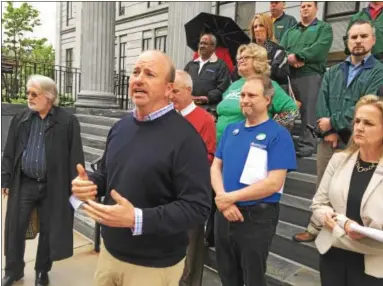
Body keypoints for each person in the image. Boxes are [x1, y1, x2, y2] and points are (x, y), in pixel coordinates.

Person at [71, 50, 212, 286]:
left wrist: (138, 218)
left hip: (153, 267)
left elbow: (197, 207)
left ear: (169, 89)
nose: (138, 79)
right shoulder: (120, 127)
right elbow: (107, 173)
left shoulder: (187, 139)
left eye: (149, 74)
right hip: (110, 253)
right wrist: (88, 184)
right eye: (135, 72)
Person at [293, 19, 383, 243]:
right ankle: (315, 227)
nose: (358, 41)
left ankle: (351, 229)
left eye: (363, 36)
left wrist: (333, 123)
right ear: (347, 41)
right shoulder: (333, 71)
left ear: (373, 40)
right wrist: (327, 132)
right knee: (323, 184)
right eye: (354, 37)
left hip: (359, 140)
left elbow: (367, 105)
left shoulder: (379, 72)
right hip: (329, 140)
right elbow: (321, 102)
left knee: (355, 187)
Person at [211, 76, 297, 286]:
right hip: (225, 213)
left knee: (253, 277)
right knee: (226, 273)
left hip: (256, 217)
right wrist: (225, 200)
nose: (245, 100)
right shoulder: (232, 130)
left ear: (268, 99)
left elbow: (273, 183)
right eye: (242, 95)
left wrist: (229, 198)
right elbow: (215, 166)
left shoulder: (278, 135)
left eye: (252, 95)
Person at [1, 75, 84, 286]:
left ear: (49, 97)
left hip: (53, 186)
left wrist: (76, 186)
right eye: (28, 92)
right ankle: (13, 270)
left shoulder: (67, 121)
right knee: (15, 228)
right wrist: (5, 179)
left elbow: (75, 156)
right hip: (24, 183)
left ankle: (41, 271)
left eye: (34, 93)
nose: (29, 97)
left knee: (49, 229)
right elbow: (9, 152)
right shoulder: (20, 119)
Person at [311, 95, 383, 285]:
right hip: (333, 255)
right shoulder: (339, 160)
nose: (359, 127)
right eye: (357, 121)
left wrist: (339, 225)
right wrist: (343, 224)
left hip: (374, 264)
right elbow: (318, 204)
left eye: (368, 123)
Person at [170, 70, 216, 286]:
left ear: (189, 91)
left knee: (192, 246)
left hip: (190, 192)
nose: (171, 95)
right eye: (169, 90)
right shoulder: (166, 115)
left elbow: (209, 155)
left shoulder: (204, 119)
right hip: (166, 191)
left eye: (176, 91)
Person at [280, 1, 333, 157]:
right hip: (290, 76)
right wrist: (290, 58)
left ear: (316, 8)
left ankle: (306, 146)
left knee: (308, 112)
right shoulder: (291, 31)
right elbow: (281, 50)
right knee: (288, 111)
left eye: (309, 5)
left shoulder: (324, 28)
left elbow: (320, 48)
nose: (305, 8)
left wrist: (299, 56)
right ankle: (284, 143)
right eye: (303, 6)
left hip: (310, 75)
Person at [216, 43, 298, 143]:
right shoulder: (234, 85)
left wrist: (269, 131)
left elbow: (292, 112)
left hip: (250, 146)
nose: (240, 60)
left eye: (246, 57)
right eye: (239, 58)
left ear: (257, 60)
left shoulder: (267, 84)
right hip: (222, 146)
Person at [232, 13, 290, 87]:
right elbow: (234, 76)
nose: (257, 29)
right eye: (255, 27)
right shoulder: (246, 50)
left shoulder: (277, 50)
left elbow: (282, 77)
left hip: (269, 91)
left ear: (268, 28)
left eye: (261, 25)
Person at [184, 33, 231, 113]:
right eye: (201, 43)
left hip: (209, 109)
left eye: (205, 43)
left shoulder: (221, 65)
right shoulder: (191, 64)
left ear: (213, 46)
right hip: (189, 107)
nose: (202, 46)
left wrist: (208, 98)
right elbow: (182, 82)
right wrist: (187, 95)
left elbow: (222, 87)